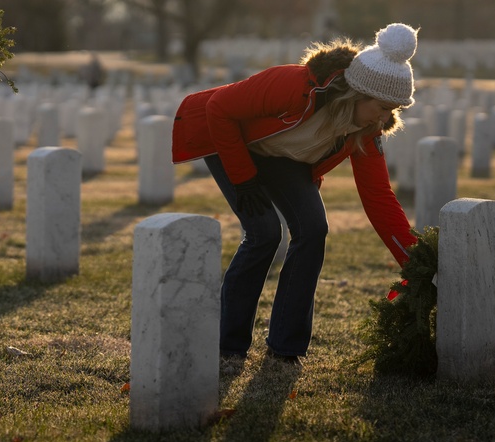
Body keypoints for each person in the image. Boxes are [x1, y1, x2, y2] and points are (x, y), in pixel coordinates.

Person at [171, 23, 422, 366]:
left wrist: (416, 264)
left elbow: (379, 197)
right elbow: (219, 108)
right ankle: (228, 344)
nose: (387, 117)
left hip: (284, 160)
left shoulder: (364, 132)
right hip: (234, 144)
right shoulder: (294, 85)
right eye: (382, 106)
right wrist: (243, 179)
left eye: (394, 110)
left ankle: (285, 346)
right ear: (357, 94)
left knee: (313, 229)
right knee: (264, 233)